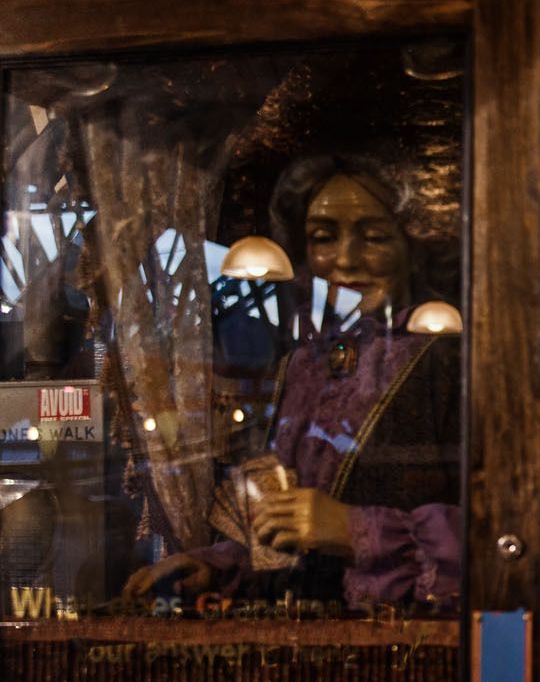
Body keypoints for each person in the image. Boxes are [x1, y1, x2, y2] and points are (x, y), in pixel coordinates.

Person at [123, 154, 461, 611]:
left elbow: (509, 533)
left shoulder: (448, 357)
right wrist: (220, 567)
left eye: (375, 236)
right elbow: (282, 537)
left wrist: (354, 530)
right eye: (323, 237)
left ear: (412, 244)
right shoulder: (301, 367)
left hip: (415, 653)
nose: (345, 258)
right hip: (308, 652)